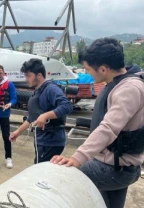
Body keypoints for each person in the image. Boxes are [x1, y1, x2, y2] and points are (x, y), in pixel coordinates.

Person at [51, 38, 144, 208]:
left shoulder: (129, 89)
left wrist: (77, 158)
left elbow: (108, 128)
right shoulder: (120, 82)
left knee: (64, 176)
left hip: (116, 167)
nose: (87, 73)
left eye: (87, 69)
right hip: (116, 161)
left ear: (103, 68)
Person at [9, 58, 73, 164]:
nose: (26, 79)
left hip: (50, 142)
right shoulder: (38, 91)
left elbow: (67, 106)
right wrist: (18, 131)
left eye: (28, 76)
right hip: (42, 140)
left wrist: (45, 116)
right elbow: (32, 117)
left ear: (39, 75)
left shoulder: (50, 89)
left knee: (41, 173)